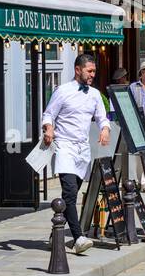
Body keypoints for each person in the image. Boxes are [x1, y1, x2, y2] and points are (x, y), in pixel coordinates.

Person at [41, 53, 111, 255]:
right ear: (77, 70)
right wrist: (48, 128)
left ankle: (57, 231)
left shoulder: (95, 94)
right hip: (64, 147)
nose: (92, 75)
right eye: (89, 71)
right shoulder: (62, 91)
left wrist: (105, 129)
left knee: (69, 195)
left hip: (82, 151)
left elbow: (101, 117)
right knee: (70, 192)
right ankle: (79, 238)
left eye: (94, 71)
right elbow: (49, 114)